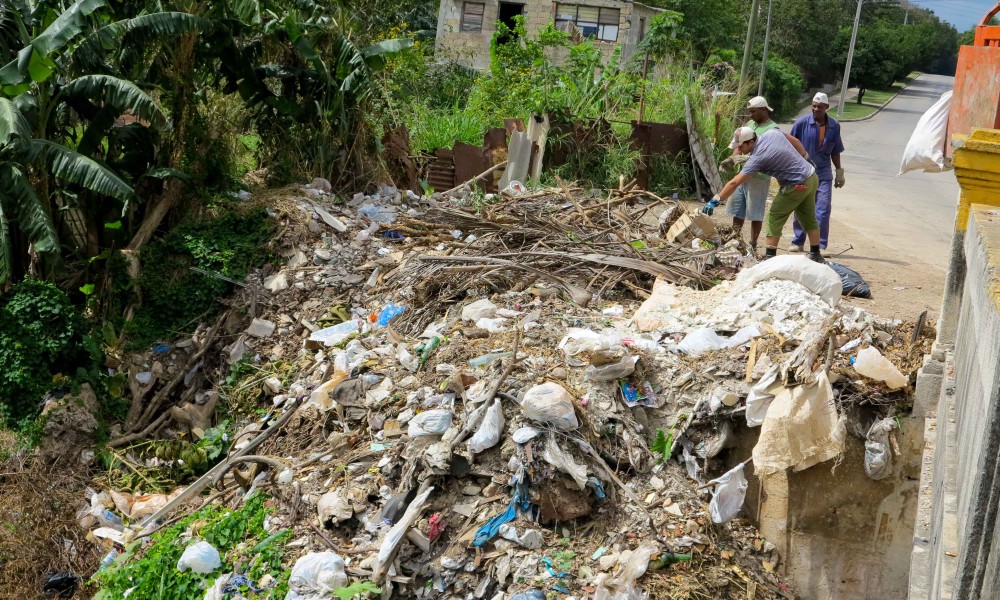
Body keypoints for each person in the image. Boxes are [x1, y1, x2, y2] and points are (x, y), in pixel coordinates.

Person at [710, 126, 825, 263]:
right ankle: (816, 254)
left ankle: (770, 257)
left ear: (751, 143)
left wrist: (716, 199)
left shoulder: (757, 158)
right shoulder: (772, 133)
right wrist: (806, 158)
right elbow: (795, 141)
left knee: (774, 216)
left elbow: (734, 183)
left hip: (796, 185)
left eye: (741, 147)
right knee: (808, 217)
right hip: (811, 176)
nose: (739, 150)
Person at [715, 96, 779, 251]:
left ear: (763, 110)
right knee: (738, 209)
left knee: (755, 213)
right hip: (742, 173)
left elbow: (768, 154)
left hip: (758, 176)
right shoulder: (750, 124)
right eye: (749, 111)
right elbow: (738, 143)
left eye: (753, 111)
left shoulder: (772, 130)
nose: (750, 115)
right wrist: (732, 159)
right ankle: (735, 239)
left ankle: (753, 245)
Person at [788, 92, 845, 253]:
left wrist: (839, 171)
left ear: (827, 107)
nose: (815, 109)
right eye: (813, 106)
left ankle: (820, 245)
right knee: (802, 206)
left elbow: (835, 150)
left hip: (824, 173)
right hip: (803, 172)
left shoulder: (834, 126)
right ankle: (798, 241)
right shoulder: (801, 124)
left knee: (823, 208)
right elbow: (790, 146)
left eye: (819, 107)